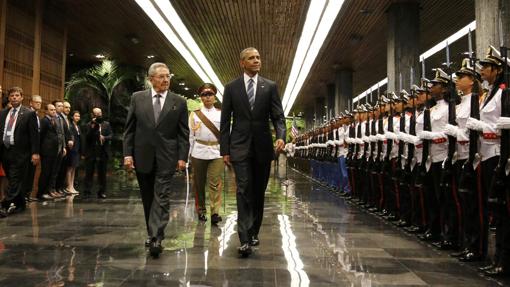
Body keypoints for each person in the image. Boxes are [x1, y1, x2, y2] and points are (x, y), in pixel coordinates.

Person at [220, 47, 286, 257]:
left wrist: (281, 136)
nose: (257, 60)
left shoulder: (270, 86)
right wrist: (225, 150)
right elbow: (224, 122)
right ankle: (245, 238)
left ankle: (254, 230)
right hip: (239, 146)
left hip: (263, 147)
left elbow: (278, 116)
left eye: (258, 57)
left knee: (258, 191)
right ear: (242, 63)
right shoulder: (231, 87)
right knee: (243, 188)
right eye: (251, 58)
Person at [123, 62, 189, 258]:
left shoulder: (179, 101)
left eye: (168, 76)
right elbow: (129, 129)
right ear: (151, 79)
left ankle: (157, 237)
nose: (166, 80)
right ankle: (151, 232)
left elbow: (183, 133)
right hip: (142, 156)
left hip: (167, 157)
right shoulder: (138, 98)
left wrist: (182, 157)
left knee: (161, 196)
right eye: (161, 76)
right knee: (148, 198)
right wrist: (127, 154)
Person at [0, 87, 40, 218]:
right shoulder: (3, 113)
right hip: (5, 151)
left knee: (15, 179)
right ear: (9, 98)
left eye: (17, 95)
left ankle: (4, 205)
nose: (14, 98)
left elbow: (34, 136)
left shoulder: (28, 113)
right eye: (12, 96)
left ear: (22, 97)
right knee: (12, 179)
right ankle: (20, 204)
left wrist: (35, 153)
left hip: (21, 152)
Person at [189, 83, 224, 225]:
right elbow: (190, 135)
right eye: (204, 94)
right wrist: (188, 156)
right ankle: (201, 211)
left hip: (216, 152)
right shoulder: (194, 114)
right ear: (201, 98)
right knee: (199, 183)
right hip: (198, 151)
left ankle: (215, 212)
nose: (207, 97)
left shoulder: (221, 113)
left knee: (215, 183)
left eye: (210, 94)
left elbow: (226, 134)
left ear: (214, 97)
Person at [37, 104, 66, 200]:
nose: (54, 111)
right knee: (45, 172)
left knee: (51, 172)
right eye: (51, 110)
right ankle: (41, 193)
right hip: (47, 151)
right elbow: (41, 136)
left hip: (55, 150)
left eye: (54, 110)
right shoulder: (44, 121)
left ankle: (48, 191)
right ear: (46, 111)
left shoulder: (54, 120)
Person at [83, 108, 112, 199]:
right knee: (89, 173)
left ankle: (102, 192)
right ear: (93, 115)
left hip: (103, 152)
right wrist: (93, 126)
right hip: (91, 152)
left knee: (102, 174)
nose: (99, 115)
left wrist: (105, 137)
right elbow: (87, 138)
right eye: (96, 114)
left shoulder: (106, 124)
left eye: (100, 113)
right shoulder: (89, 125)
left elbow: (111, 135)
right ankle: (87, 192)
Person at [25, 95, 42, 201]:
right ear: (31, 103)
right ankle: (24, 195)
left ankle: (28, 194)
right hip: (27, 148)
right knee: (27, 173)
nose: (38, 104)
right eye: (36, 102)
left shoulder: (37, 115)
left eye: (40, 103)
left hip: (35, 148)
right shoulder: (27, 114)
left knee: (32, 173)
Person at [66, 111, 82, 194]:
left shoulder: (78, 126)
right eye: (76, 116)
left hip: (77, 149)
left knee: (74, 168)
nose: (77, 117)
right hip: (72, 149)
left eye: (78, 116)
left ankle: (72, 185)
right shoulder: (70, 126)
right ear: (72, 117)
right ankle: (68, 186)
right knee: (70, 168)